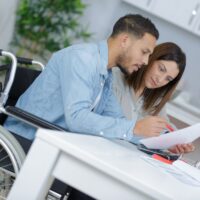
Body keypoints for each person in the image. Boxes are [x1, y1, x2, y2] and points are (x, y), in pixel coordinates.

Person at [4, 14, 167, 149]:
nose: (146, 61)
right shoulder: (83, 59)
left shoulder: (107, 73)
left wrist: (160, 141)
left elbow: (116, 118)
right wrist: (135, 128)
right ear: (124, 40)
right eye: (144, 52)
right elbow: (76, 118)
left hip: (51, 142)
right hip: (26, 141)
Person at [112, 42, 194, 154]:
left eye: (168, 79)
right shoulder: (116, 78)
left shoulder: (155, 97)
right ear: (151, 58)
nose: (160, 80)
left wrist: (172, 143)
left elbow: (166, 126)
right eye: (161, 69)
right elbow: (109, 123)